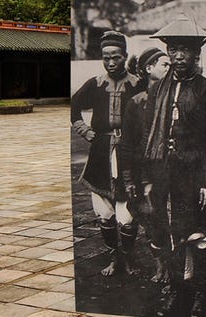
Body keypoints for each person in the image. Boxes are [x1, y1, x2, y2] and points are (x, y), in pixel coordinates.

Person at [142, 14, 206, 316]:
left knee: (201, 236)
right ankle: (178, 292)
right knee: (171, 234)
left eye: (185, 51)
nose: (179, 56)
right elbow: (149, 135)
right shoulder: (157, 90)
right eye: (174, 50)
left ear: (196, 54)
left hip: (195, 173)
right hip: (165, 172)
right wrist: (149, 177)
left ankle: (201, 295)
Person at [71, 30, 143, 277]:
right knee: (104, 211)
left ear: (125, 56)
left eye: (116, 57)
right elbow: (74, 106)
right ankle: (114, 257)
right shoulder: (95, 84)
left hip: (129, 152)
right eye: (106, 57)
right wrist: (85, 131)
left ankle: (130, 256)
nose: (111, 62)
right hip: (100, 150)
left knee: (128, 212)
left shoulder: (137, 84)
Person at [121, 47, 171, 282]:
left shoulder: (175, 98)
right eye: (164, 64)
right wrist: (129, 178)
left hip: (171, 169)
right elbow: (128, 145)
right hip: (144, 172)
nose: (169, 68)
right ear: (149, 69)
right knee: (151, 220)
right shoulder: (136, 103)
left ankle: (178, 267)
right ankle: (160, 264)